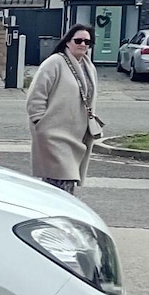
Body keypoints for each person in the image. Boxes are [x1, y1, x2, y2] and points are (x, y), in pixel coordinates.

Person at [27, 24, 104, 194]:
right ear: (68, 42)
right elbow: (36, 96)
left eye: (87, 42)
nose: (83, 44)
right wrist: (40, 123)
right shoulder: (54, 63)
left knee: (64, 184)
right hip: (54, 135)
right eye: (78, 40)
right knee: (61, 181)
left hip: (77, 136)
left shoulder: (88, 67)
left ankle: (51, 217)